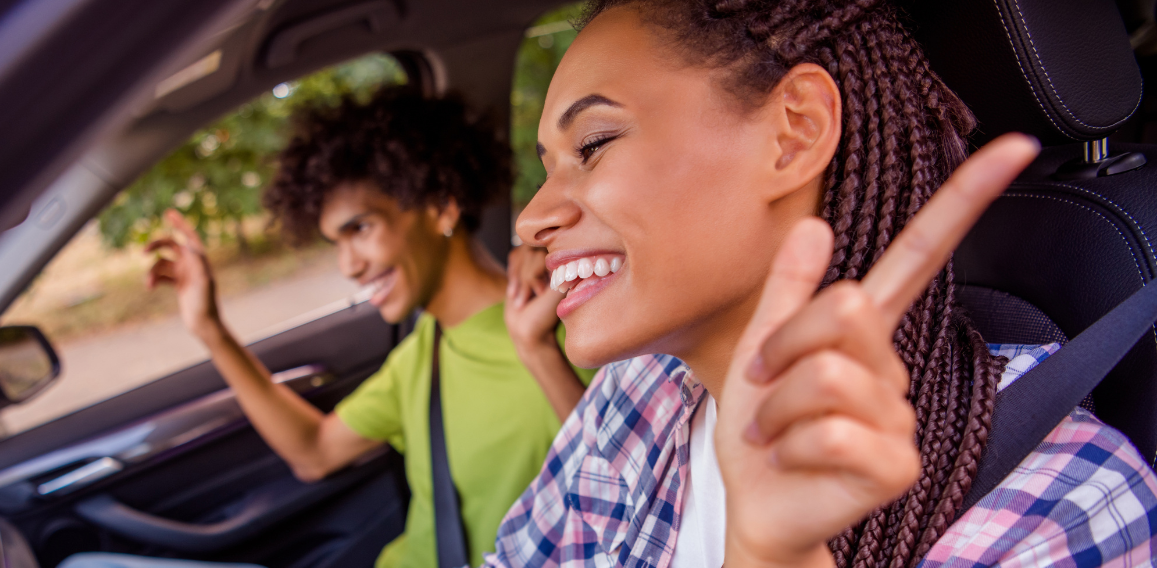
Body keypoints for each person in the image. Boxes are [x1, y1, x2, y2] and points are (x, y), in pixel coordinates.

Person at [482, 1, 1157, 567]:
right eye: (547, 167)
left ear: (795, 132)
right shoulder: (641, 395)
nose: (535, 217)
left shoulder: (1067, 501)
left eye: (593, 144)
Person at [59, 87, 594, 568]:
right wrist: (210, 329)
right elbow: (313, 452)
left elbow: (626, 492)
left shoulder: (564, 333)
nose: (349, 265)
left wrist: (539, 349)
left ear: (440, 206)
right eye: (336, 243)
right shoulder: (424, 350)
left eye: (360, 229)